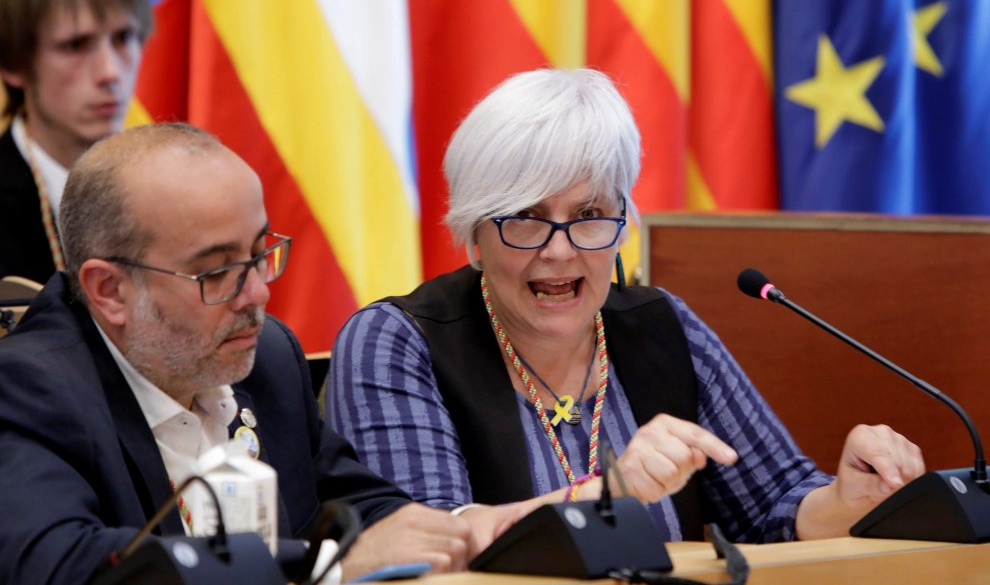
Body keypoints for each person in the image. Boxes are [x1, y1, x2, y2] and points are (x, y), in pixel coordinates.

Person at [327, 68, 926, 543]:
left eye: (589, 217)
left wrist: (848, 501)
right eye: (527, 220)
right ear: (473, 236)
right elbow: (427, 546)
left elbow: (775, 507)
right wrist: (608, 491)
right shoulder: (396, 340)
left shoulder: (662, 326)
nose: (560, 253)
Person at [0, 123, 521, 585]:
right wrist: (327, 567)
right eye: (217, 272)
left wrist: (467, 526)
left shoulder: (267, 356)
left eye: (258, 253)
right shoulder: (26, 389)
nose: (258, 294)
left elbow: (355, 506)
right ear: (110, 290)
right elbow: (61, 564)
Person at [0, 0, 149, 283]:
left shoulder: (168, 187)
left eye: (124, 37)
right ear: (13, 64)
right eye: (76, 45)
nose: (110, 72)